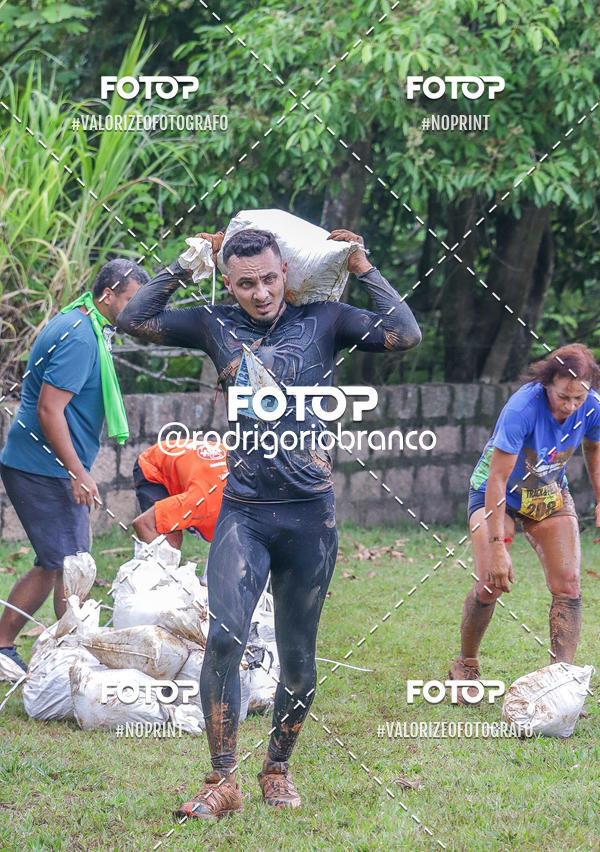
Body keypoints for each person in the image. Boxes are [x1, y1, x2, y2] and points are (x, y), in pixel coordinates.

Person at [117, 225, 421, 819]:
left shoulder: (327, 320)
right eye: (246, 283)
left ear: (286, 272)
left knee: (299, 654)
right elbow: (133, 318)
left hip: (310, 517)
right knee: (225, 637)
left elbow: (405, 334)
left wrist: (362, 265)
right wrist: (186, 263)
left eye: (269, 279)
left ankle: (277, 767)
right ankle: (220, 778)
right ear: (228, 284)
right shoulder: (213, 325)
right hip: (245, 512)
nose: (260, 293)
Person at [0, 259, 148, 674]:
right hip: (43, 467)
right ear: (108, 295)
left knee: (55, 563)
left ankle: (4, 644)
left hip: (39, 464)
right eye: (131, 300)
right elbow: (50, 410)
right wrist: (77, 472)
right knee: (74, 564)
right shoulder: (81, 337)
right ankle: (70, 662)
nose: (136, 311)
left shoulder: (82, 322)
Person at [449, 344, 600, 703]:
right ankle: (466, 663)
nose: (570, 406)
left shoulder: (591, 404)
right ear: (548, 383)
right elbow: (497, 481)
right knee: (492, 583)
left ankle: (560, 682)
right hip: (495, 495)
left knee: (569, 583)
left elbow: (594, 451)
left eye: (578, 398)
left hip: (547, 494)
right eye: (564, 396)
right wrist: (498, 545)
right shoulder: (522, 408)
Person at [132, 439, 228, 582]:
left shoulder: (258, 504)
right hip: (154, 466)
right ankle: (162, 592)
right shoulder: (201, 501)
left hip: (195, 464)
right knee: (170, 541)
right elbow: (143, 523)